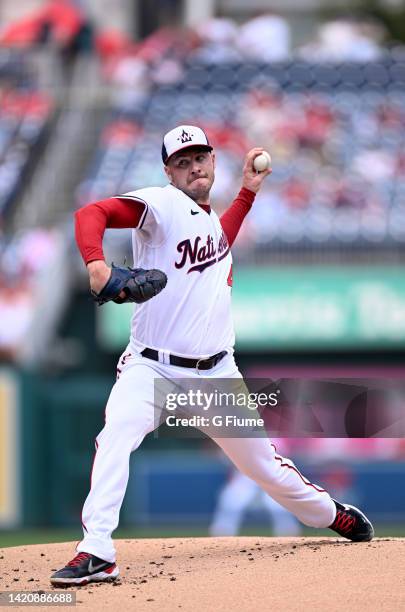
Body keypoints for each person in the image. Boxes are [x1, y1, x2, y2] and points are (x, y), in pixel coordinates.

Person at [50, 125, 374, 586]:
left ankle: (329, 514)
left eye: (200, 157)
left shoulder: (205, 219)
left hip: (216, 376)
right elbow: (92, 212)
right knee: (115, 435)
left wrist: (248, 193)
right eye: (182, 161)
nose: (194, 166)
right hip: (151, 366)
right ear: (169, 171)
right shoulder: (162, 204)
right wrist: (97, 265)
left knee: (266, 470)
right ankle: (96, 550)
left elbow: (220, 241)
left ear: (213, 161)